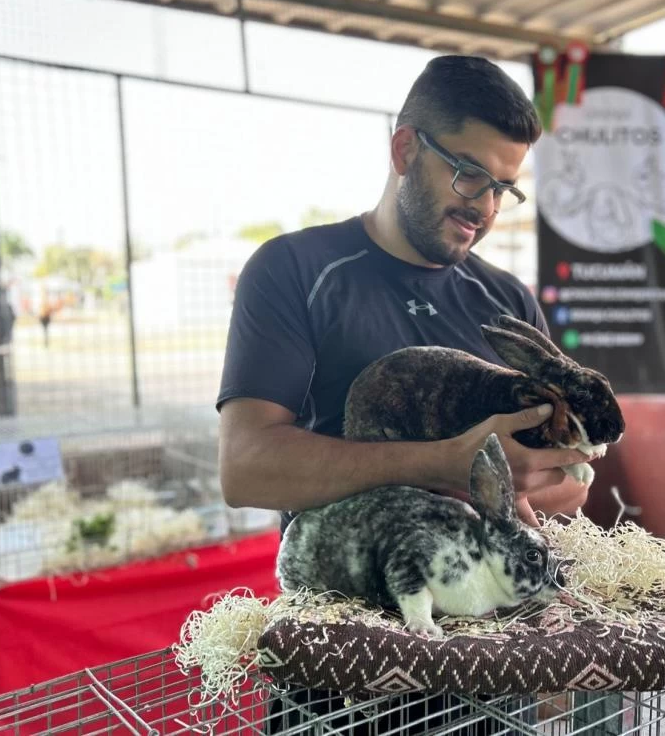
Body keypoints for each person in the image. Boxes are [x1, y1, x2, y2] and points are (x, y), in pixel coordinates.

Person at [216, 55, 594, 734]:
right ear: (403, 148)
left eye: (503, 189)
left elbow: (569, 485)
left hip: (485, 674)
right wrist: (449, 464)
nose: (483, 206)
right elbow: (246, 468)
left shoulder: (506, 302)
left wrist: (523, 481)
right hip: (344, 669)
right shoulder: (295, 271)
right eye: (469, 173)